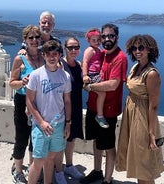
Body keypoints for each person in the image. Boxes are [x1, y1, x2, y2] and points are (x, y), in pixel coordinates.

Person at [80, 23, 128, 184]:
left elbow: (113, 84)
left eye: (111, 36)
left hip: (108, 111)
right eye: (104, 36)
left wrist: (90, 86)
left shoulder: (119, 58)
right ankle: (97, 171)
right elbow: (87, 65)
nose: (107, 39)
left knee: (108, 146)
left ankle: (107, 180)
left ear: (117, 37)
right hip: (94, 106)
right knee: (96, 141)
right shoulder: (101, 54)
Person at [115, 34, 164, 184]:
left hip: (143, 118)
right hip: (132, 113)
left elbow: (153, 105)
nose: (137, 51)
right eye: (135, 48)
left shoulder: (151, 74)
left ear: (149, 49)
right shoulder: (136, 67)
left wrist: (151, 133)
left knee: (144, 162)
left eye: (141, 47)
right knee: (137, 160)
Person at [26, 40, 72, 184]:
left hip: (58, 124)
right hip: (41, 126)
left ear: (59, 55)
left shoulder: (65, 76)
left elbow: (67, 101)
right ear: (43, 55)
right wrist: (41, 122)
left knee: (51, 158)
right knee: (38, 160)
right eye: (48, 54)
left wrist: (68, 124)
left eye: (55, 54)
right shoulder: (35, 75)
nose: (51, 57)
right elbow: (29, 101)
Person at [9, 25, 44, 184]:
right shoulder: (20, 58)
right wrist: (22, 82)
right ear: (25, 40)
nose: (35, 40)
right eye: (31, 38)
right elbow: (11, 83)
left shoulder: (43, 57)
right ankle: (17, 170)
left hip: (39, 100)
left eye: (37, 37)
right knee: (22, 137)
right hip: (23, 100)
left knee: (35, 137)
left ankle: (32, 168)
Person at [54, 37, 84, 183]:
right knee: (61, 141)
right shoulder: (61, 65)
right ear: (64, 48)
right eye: (70, 47)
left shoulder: (79, 65)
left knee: (71, 139)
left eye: (76, 47)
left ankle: (69, 165)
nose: (73, 50)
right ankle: (58, 171)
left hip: (77, 107)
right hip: (64, 108)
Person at [82, 28, 108, 128]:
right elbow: (85, 62)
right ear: (89, 41)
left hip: (96, 74)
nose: (97, 42)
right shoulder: (90, 50)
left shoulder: (98, 50)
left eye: (98, 40)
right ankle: (100, 115)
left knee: (103, 91)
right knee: (102, 92)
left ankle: (100, 114)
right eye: (94, 40)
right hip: (91, 75)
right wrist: (85, 76)